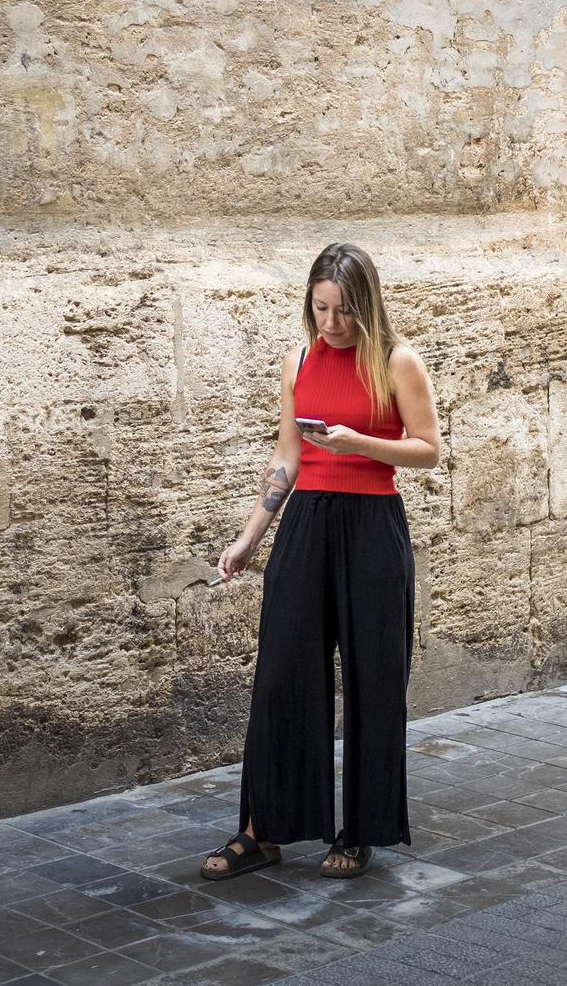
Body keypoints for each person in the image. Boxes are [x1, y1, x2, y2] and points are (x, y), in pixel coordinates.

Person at [200, 244, 442, 881]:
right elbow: (287, 458)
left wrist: (357, 441)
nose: (331, 322)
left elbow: (427, 451)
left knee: (373, 678)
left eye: (342, 310)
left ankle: (360, 829)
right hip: (305, 523)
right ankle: (263, 831)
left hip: (372, 527)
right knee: (281, 673)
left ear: (366, 304)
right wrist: (251, 536)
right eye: (320, 307)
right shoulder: (300, 359)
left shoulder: (397, 362)